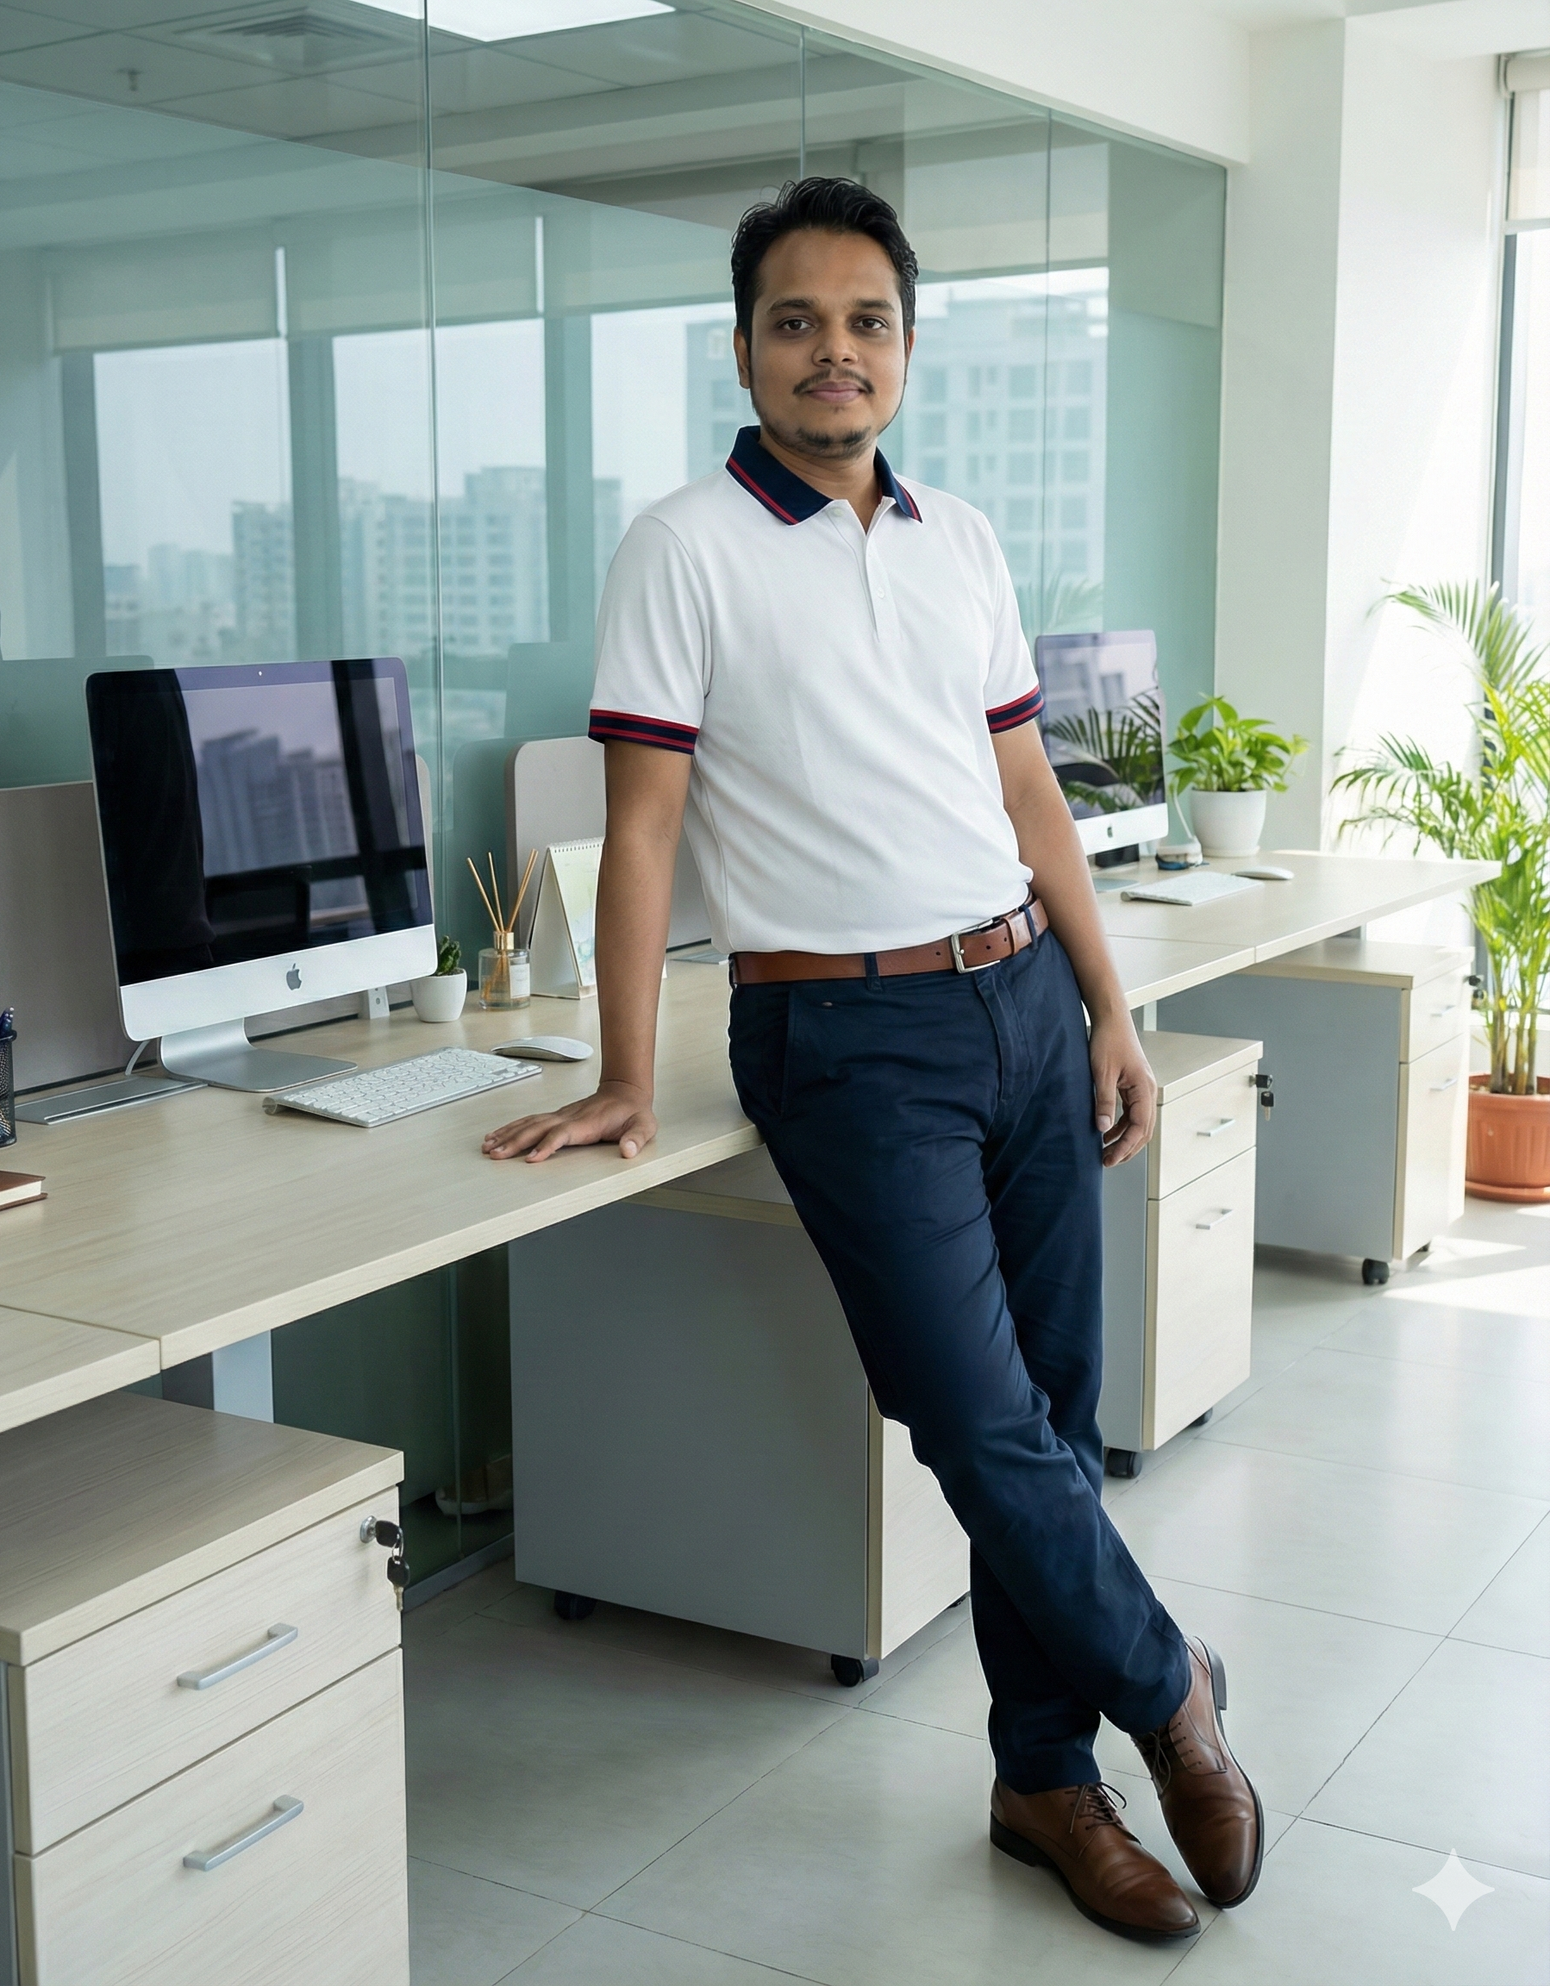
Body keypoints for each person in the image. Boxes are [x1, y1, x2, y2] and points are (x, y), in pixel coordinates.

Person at [484, 177, 1262, 1943]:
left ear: (906, 345)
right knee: (979, 1423)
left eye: (867, 321)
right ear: (745, 345)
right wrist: (624, 1066)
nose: (835, 351)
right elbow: (648, 826)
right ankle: (1173, 1688)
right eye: (797, 321)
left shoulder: (960, 537)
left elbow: (1028, 794)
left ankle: (1038, 1783)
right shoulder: (682, 543)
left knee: (1049, 1415)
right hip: (841, 1033)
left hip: (1018, 1002)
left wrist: (1113, 1004)